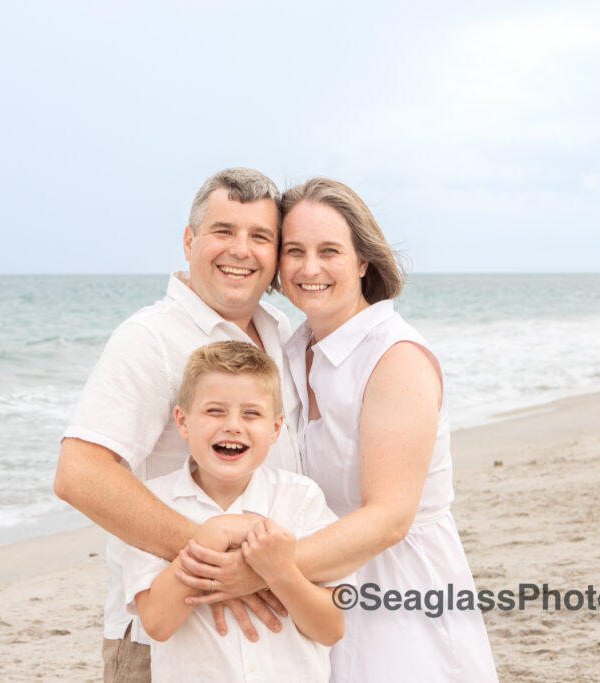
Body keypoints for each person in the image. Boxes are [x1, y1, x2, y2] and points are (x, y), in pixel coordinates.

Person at [177, 178, 497, 681]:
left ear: (363, 261)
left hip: (396, 585)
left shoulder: (395, 357)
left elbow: (390, 518)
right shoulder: (286, 346)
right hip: (314, 590)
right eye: (294, 251)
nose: (309, 268)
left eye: (329, 251)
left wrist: (264, 571)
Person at [54, 168, 303, 682]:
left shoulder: (281, 333)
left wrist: (270, 572)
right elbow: (80, 473)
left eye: (260, 237)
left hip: (270, 638)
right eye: (223, 231)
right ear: (189, 241)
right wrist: (218, 566)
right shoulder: (150, 338)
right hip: (167, 639)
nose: (241, 249)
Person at [120, 341, 350, 682]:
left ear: (275, 429)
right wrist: (216, 533)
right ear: (183, 421)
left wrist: (280, 572)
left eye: (251, 413)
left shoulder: (300, 499)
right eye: (215, 411)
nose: (233, 426)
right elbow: (157, 622)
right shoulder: (153, 503)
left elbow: (331, 628)